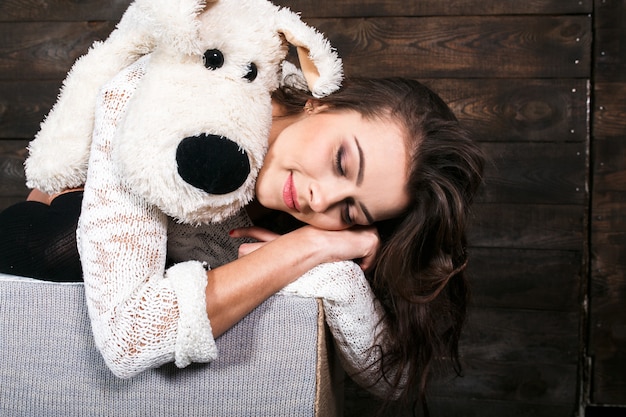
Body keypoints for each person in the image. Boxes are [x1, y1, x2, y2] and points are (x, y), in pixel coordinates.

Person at [0, 76, 484, 404]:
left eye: (350, 211)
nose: (322, 199)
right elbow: (131, 337)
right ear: (324, 102)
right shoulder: (190, 90)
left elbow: (391, 378)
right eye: (341, 162)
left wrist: (339, 277)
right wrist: (314, 249)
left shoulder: (309, 215)